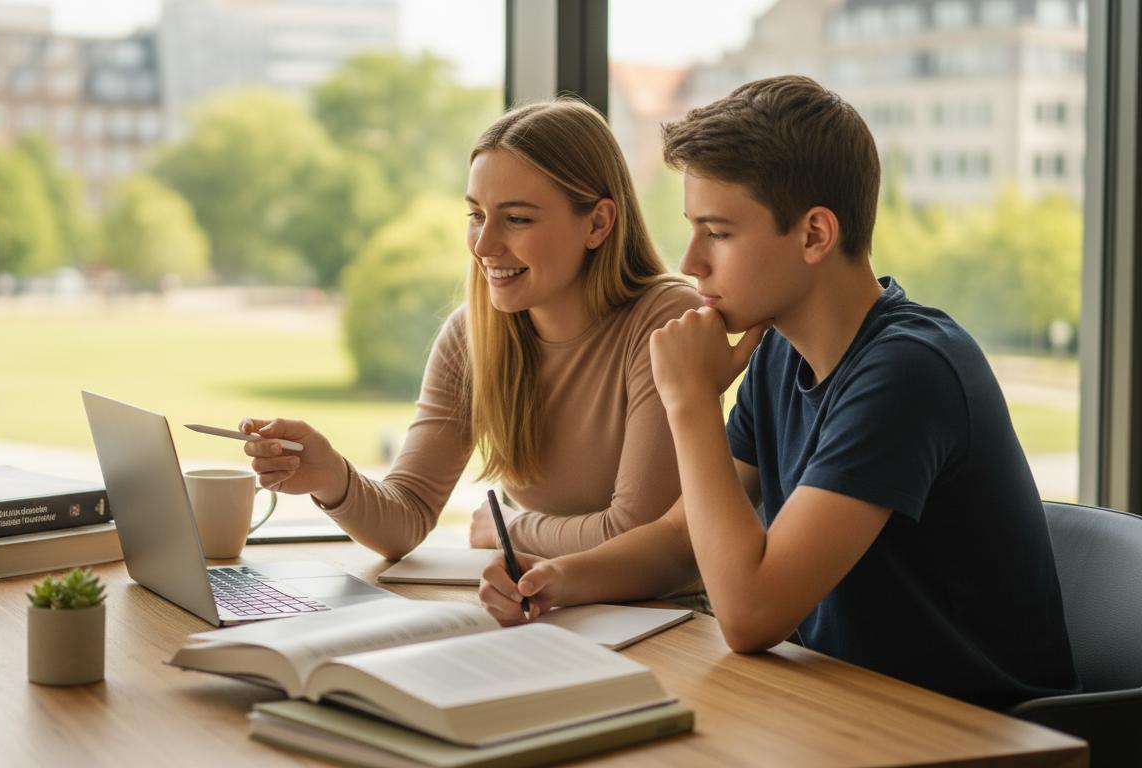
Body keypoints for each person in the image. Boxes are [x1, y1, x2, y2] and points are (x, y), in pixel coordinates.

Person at [478, 76, 1080, 708]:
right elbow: (685, 539)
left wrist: (690, 401)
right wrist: (557, 580)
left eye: (718, 232)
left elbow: (750, 614)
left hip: (978, 734)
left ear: (815, 235)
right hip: (848, 710)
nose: (691, 261)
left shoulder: (909, 371)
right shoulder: (779, 353)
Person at [237, 99, 702, 561]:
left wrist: (511, 528)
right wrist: (333, 477)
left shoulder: (664, 322)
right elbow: (407, 517)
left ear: (598, 223)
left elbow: (636, 533)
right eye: (476, 215)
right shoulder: (473, 333)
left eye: (517, 219)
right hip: (543, 604)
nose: (483, 245)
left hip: (663, 615)